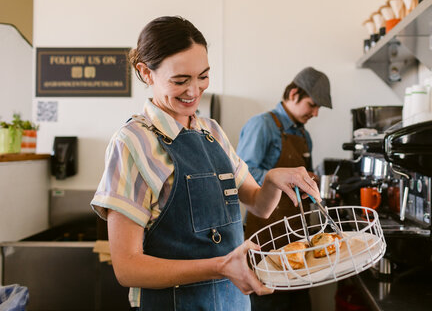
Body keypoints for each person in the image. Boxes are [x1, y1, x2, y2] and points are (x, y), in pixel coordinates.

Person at [90, 16, 320, 311]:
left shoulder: (211, 131)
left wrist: (273, 179)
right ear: (146, 73)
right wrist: (221, 266)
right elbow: (127, 267)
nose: (194, 91)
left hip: (233, 302)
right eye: (180, 80)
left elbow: (260, 205)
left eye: (203, 76)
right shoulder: (133, 143)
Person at [236, 66, 332, 311]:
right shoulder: (262, 125)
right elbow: (240, 177)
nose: (316, 113)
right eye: (313, 104)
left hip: (298, 236)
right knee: (270, 303)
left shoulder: (304, 135)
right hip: (267, 236)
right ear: (293, 94)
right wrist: (281, 178)